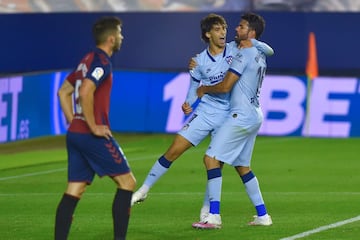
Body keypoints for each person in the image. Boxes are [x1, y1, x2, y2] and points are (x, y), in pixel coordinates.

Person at [131, 13, 273, 222]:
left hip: (228, 115)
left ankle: (208, 210)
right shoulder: (198, 61)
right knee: (174, 150)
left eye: (224, 27)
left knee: (215, 161)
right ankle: (143, 189)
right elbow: (194, 88)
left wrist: (253, 41)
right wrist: (188, 103)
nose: (224, 31)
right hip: (207, 112)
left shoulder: (236, 48)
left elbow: (268, 50)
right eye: (217, 29)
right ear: (207, 34)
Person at [55, 16, 136, 240]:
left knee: (75, 189)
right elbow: (85, 90)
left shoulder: (87, 59)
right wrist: (93, 126)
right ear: (111, 39)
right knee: (127, 182)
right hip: (91, 135)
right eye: (120, 33)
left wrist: (74, 121)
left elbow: (63, 92)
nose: (122, 37)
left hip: (75, 134)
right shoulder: (101, 61)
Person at [192, 12, 273, 229]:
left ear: (251, 32)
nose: (235, 29)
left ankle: (214, 216)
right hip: (255, 113)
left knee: (211, 159)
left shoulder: (243, 55)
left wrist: (204, 89)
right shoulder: (259, 51)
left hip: (241, 115)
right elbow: (270, 49)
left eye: (241, 26)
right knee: (242, 165)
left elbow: (225, 87)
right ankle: (263, 215)